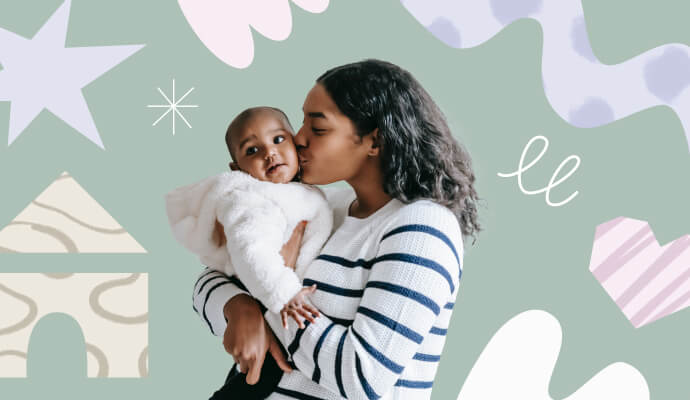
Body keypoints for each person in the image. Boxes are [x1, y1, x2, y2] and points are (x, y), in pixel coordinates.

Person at [192, 59, 481, 399]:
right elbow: (213, 276)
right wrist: (238, 307)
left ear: (374, 141)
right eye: (302, 123)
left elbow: (361, 376)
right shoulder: (325, 208)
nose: (297, 139)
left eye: (317, 128)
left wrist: (273, 298)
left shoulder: (422, 229)